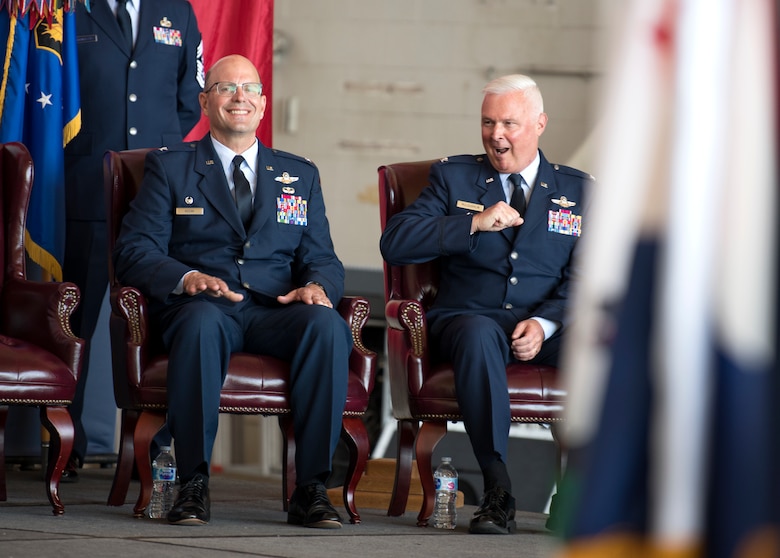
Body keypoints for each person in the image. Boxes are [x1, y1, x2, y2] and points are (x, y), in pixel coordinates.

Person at [113, 54, 351, 528]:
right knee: (201, 324)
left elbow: (322, 257)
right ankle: (193, 482)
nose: (239, 97)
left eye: (249, 89)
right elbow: (134, 251)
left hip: (274, 311)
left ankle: (312, 488)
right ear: (205, 101)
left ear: (263, 104)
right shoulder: (170, 168)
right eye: (225, 88)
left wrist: (316, 288)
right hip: (204, 307)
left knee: (325, 325)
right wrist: (186, 278)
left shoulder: (299, 174)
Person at [379, 74, 593, 535]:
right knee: (477, 336)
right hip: (469, 319)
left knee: (604, 342)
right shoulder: (454, 176)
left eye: (509, 124)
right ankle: (498, 487)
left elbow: (587, 281)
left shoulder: (577, 191)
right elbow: (395, 243)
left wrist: (546, 323)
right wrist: (472, 223)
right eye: (488, 122)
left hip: (542, 324)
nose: (497, 134)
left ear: (540, 124)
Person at [63, 0, 204, 479]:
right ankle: (68, 444)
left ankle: (156, 449)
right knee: (75, 321)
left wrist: (155, 151)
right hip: (86, 182)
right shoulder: (70, 9)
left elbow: (191, 96)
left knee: (163, 320)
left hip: (157, 189)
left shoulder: (177, 11)